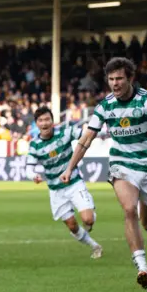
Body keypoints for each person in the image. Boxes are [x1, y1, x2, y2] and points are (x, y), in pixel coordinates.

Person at [60, 57, 147, 290]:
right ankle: (142, 267)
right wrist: (70, 167)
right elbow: (86, 139)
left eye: (119, 78)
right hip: (121, 165)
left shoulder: (146, 99)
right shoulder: (105, 105)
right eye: (111, 79)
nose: (115, 83)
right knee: (128, 209)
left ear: (130, 78)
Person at [25, 107, 103, 259]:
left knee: (88, 220)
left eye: (47, 119)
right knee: (72, 226)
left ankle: (90, 214)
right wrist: (33, 176)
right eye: (40, 120)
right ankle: (95, 246)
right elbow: (29, 169)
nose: (44, 123)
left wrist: (96, 134)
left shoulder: (66, 131)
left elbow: (86, 135)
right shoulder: (35, 145)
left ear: (52, 121)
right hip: (56, 190)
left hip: (74, 183)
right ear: (36, 124)